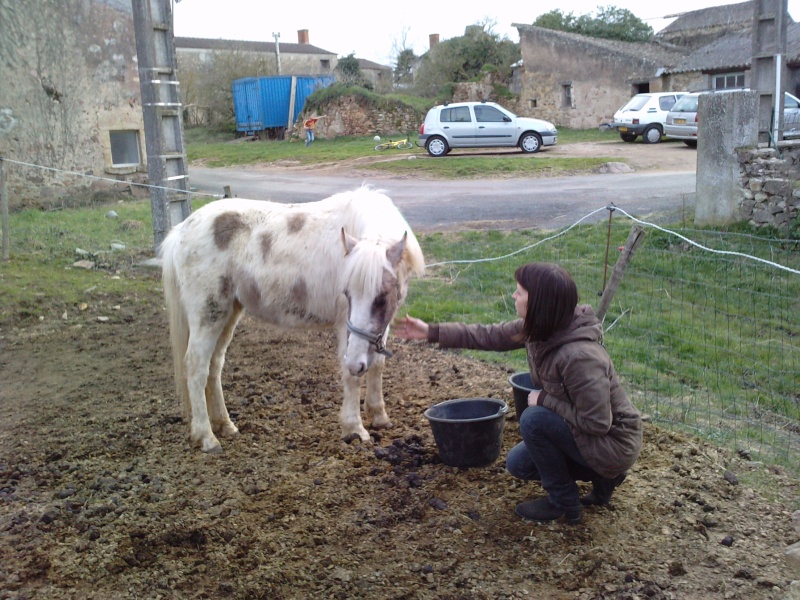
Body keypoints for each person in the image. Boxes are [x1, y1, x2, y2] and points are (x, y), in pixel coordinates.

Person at [393, 262, 642, 524]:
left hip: (614, 444)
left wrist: (545, 399)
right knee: (519, 464)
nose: (514, 296)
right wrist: (431, 331)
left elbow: (597, 423)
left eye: (520, 292)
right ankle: (605, 477)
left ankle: (564, 502)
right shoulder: (541, 328)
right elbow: (488, 335)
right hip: (591, 436)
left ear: (538, 302)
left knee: (534, 419)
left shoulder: (580, 358)